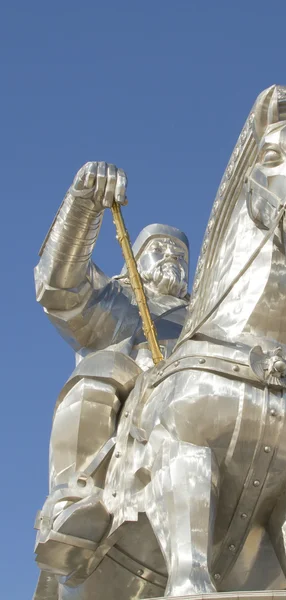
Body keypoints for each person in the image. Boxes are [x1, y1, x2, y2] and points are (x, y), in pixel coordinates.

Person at [33, 161, 189, 582]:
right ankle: (75, 496)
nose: (172, 257)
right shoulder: (123, 301)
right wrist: (83, 209)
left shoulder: (208, 318)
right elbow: (60, 290)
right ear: (133, 262)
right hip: (136, 407)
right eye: (159, 249)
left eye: (181, 254)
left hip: (200, 418)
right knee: (101, 370)